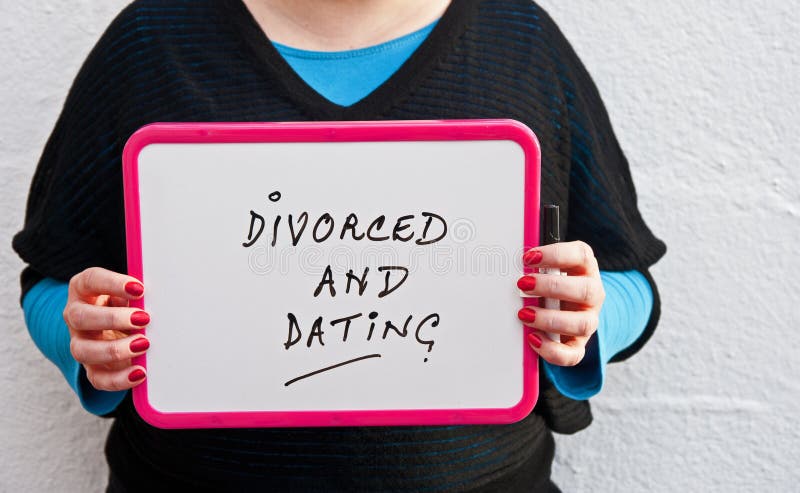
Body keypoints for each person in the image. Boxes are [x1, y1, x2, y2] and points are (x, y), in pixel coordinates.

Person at [13, 0, 666, 491]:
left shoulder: (520, 42)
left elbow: (627, 275)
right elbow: (51, 275)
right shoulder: (150, 42)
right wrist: (88, 339)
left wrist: (585, 318)